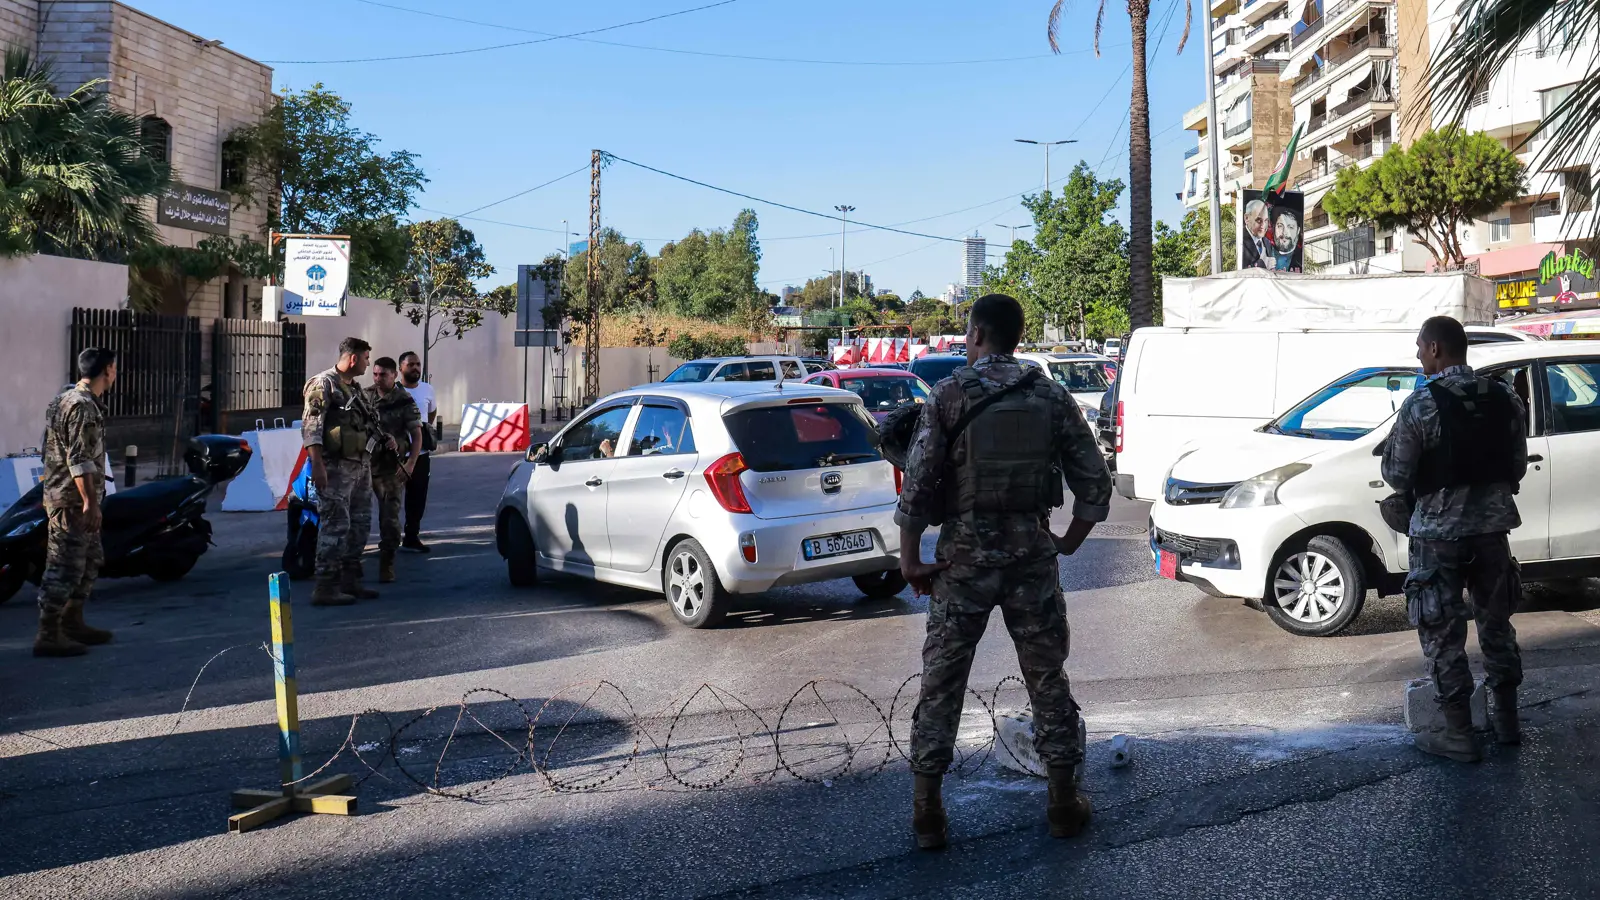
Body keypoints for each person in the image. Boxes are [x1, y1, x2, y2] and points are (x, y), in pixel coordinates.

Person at [897, 293, 1113, 850]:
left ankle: (927, 815)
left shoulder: (948, 393)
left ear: (974, 335)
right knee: (1047, 680)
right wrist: (1066, 541)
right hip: (1030, 563)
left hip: (961, 563)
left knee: (942, 683)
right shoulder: (1051, 395)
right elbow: (1095, 485)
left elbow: (918, 485)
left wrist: (910, 559)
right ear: (1017, 338)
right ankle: (1063, 804)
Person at [1381, 315, 1528, 762]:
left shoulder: (1420, 404)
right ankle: (1506, 722)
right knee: (1496, 626)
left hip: (1438, 538)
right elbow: (1517, 466)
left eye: (1420, 347)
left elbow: (1396, 473)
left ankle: (1459, 734)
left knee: (1443, 634)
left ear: (1437, 349)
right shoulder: (1503, 397)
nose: (1418, 355)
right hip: (1491, 533)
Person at [33, 348, 118, 657]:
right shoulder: (82, 406)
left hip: (69, 496)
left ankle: (72, 621)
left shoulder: (64, 400)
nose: (115, 373)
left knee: (90, 560)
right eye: (114, 368)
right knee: (65, 565)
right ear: (108, 370)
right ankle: (48, 632)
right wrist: (90, 503)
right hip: (71, 501)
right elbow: (79, 459)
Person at [302, 337, 380, 606]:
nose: (369, 363)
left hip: (360, 466)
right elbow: (312, 427)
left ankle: (350, 581)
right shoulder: (323, 383)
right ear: (354, 358)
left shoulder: (355, 390)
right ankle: (325, 586)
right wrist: (317, 465)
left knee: (359, 525)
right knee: (336, 525)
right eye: (367, 358)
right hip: (334, 468)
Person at [363, 357, 423, 585]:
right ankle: (350, 566)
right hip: (365, 465)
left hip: (390, 469)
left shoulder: (403, 400)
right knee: (357, 517)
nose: (378, 379)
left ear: (394, 376)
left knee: (389, 520)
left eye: (383, 375)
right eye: (375, 374)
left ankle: (387, 561)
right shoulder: (365, 396)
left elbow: (416, 435)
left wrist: (410, 464)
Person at [397, 351, 436, 554]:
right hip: (395, 454)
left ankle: (412, 536)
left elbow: (431, 413)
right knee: (390, 497)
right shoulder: (393, 390)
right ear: (400, 368)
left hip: (420, 454)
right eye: (410, 364)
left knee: (417, 497)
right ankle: (389, 538)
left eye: (418, 364)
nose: (415, 368)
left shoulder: (428, 389)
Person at [1242, 198, 1274, 269]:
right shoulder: (1239, 242)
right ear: (1247, 218)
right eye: (1259, 220)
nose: (1263, 226)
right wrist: (1262, 265)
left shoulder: (1267, 242)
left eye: (1266, 221)